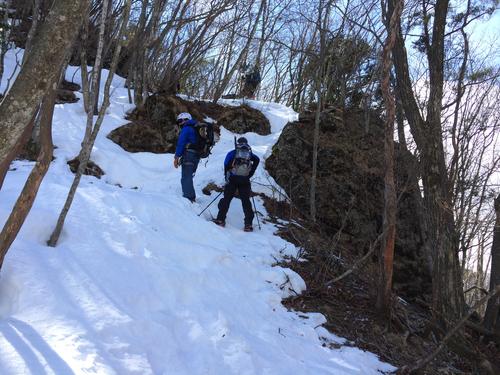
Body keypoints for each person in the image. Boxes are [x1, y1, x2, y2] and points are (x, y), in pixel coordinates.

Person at [213, 137, 260, 231]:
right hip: (245, 180)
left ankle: (220, 220)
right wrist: (250, 174)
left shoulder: (233, 152)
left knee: (227, 199)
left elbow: (226, 164)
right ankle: (248, 224)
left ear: (238, 143)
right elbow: (257, 160)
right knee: (246, 201)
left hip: (233, 179)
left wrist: (227, 177)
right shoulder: (249, 153)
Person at [173, 112, 200, 202]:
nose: (180, 123)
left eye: (181, 120)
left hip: (189, 155)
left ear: (186, 120)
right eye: (179, 121)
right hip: (196, 155)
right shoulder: (195, 128)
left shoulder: (186, 128)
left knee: (186, 177)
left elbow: (181, 143)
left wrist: (176, 157)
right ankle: (190, 197)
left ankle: (189, 199)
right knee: (188, 176)